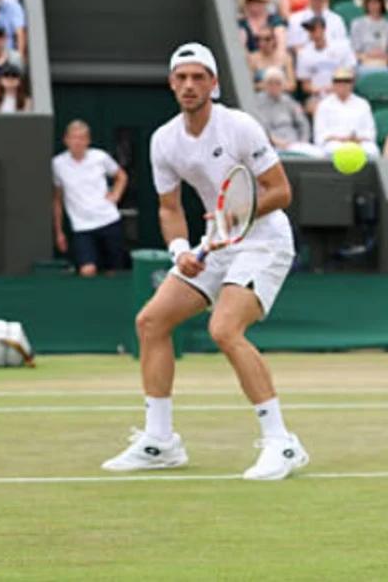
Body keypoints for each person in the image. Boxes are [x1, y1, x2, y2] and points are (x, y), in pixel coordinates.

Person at [101, 43, 308, 480]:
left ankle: (282, 443)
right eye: (182, 78)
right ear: (172, 84)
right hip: (219, 243)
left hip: (265, 242)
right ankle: (160, 442)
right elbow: (169, 208)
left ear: (214, 84)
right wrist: (180, 251)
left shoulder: (240, 127)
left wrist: (237, 215)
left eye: (198, 77)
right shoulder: (164, 140)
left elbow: (281, 190)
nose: (190, 85)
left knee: (224, 329)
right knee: (151, 322)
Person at [52, 120, 128, 277]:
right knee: (88, 270)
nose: (77, 142)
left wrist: (116, 194)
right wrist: (59, 232)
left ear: (88, 140)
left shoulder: (100, 157)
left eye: (82, 138)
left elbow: (121, 176)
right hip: (82, 227)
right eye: (74, 138)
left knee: (113, 271)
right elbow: (57, 199)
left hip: (109, 220)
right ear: (66, 140)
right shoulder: (57, 164)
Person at [312, 67, 378, 158]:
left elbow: (370, 132)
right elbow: (320, 134)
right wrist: (341, 139)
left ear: (352, 84)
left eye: (347, 81)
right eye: (338, 81)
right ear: (333, 84)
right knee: (331, 150)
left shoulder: (363, 104)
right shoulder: (324, 104)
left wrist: (355, 139)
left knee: (372, 150)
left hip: (359, 143)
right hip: (334, 143)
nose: (342, 84)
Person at [253, 68, 313, 155]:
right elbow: (261, 128)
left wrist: (303, 141)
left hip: (294, 142)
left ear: (283, 85)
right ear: (265, 85)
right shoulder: (258, 102)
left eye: (278, 83)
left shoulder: (290, 102)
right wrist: (276, 142)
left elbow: (303, 123)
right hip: (271, 145)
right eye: (270, 83)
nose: (274, 86)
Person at [349, 0, 388, 74]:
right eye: (370, 2)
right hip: (363, 65)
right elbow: (353, 53)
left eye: (376, 2)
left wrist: (383, 57)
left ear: (382, 4)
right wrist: (368, 57)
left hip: (384, 65)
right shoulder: (357, 24)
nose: (373, 5)